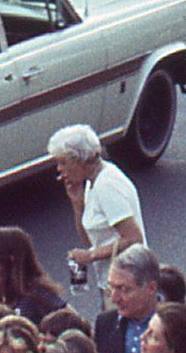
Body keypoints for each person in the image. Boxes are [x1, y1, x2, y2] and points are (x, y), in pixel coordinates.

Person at [48, 124, 144, 321]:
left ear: (77, 159)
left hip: (127, 286)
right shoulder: (92, 183)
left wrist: (90, 256)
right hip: (111, 282)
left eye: (62, 162)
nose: (59, 169)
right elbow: (87, 240)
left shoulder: (107, 186)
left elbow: (134, 238)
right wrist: (77, 204)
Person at [91, 243, 162, 353]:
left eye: (124, 289)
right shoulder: (105, 324)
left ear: (151, 288)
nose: (114, 298)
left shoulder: (177, 324)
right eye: (111, 287)